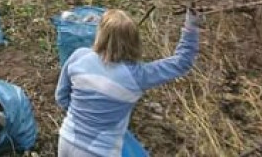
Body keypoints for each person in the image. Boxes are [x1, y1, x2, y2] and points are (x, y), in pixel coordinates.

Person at [55, 8, 201, 156]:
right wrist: (191, 27)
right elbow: (181, 63)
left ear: (101, 35)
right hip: (100, 151)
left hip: (66, 140)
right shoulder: (139, 76)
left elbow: (61, 97)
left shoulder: (79, 56)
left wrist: (86, 115)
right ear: (134, 40)